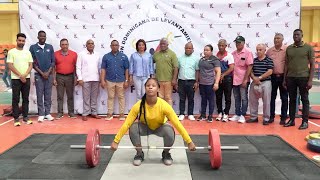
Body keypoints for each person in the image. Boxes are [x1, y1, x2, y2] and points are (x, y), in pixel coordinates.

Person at [110, 78, 196, 166]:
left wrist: (189, 141)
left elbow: (177, 124)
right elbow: (127, 123)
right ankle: (139, 154)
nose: (150, 87)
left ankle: (166, 153)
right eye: (148, 86)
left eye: (153, 86)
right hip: (144, 127)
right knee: (133, 128)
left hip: (160, 127)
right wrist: (116, 141)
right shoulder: (138, 105)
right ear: (145, 88)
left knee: (169, 131)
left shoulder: (164, 105)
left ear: (158, 89)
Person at [283, 29, 315, 130]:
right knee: (291, 100)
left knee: (304, 100)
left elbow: (313, 64)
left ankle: (305, 122)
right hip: (291, 77)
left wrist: (310, 80)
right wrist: (284, 79)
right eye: (294, 35)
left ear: (302, 35)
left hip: (303, 77)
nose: (295, 36)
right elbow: (286, 64)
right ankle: (292, 120)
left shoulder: (308, 48)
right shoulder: (289, 48)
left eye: (297, 34)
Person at [7, 33, 33, 126]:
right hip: (16, 79)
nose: (21, 42)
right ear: (16, 40)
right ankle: (16, 118)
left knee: (26, 99)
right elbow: (10, 65)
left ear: (25, 42)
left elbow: (31, 65)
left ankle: (25, 117)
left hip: (26, 79)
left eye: (23, 41)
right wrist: (20, 75)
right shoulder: (11, 52)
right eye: (20, 40)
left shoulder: (28, 52)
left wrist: (25, 75)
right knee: (16, 99)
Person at [29, 30, 55, 122]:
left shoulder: (50, 47)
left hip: (49, 75)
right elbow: (32, 63)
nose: (42, 38)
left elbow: (53, 62)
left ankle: (47, 113)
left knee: (48, 95)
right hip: (38, 75)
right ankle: (41, 114)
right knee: (39, 94)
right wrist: (41, 73)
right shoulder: (33, 48)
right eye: (41, 36)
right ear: (38, 37)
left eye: (44, 36)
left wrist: (48, 73)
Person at [100, 40, 129, 121]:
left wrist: (126, 80)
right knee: (110, 97)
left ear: (118, 46)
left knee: (121, 97)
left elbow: (127, 69)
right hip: (110, 80)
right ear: (110, 46)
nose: (115, 46)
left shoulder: (124, 56)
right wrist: (102, 80)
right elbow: (103, 69)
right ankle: (109, 114)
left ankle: (122, 114)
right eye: (113, 45)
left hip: (121, 80)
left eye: (116, 45)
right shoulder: (106, 57)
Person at [247, 44, 273, 125]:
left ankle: (266, 119)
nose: (258, 51)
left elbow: (270, 71)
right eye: (257, 49)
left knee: (266, 101)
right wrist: (254, 78)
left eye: (260, 50)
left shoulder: (269, 60)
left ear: (265, 50)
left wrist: (260, 78)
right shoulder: (254, 60)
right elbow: (250, 70)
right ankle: (253, 117)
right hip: (254, 81)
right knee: (252, 101)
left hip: (266, 82)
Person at [229, 36, 253, 123]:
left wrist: (245, 80)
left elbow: (250, 66)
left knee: (244, 98)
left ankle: (243, 115)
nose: (237, 44)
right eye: (236, 42)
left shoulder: (248, 52)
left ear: (243, 43)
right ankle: (237, 114)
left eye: (239, 42)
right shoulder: (233, 53)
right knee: (236, 98)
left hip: (243, 79)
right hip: (235, 79)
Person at [76, 39, 102, 121]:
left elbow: (100, 67)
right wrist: (80, 78)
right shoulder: (81, 54)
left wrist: (101, 78)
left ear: (94, 45)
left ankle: (94, 112)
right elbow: (78, 67)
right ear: (86, 45)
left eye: (92, 44)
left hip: (96, 79)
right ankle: (85, 113)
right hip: (85, 79)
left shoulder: (97, 55)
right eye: (89, 44)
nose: (91, 45)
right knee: (86, 97)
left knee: (94, 97)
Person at [266, 33, 288, 125]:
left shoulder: (287, 50)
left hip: (284, 77)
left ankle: (283, 118)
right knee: (272, 98)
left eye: (278, 38)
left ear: (282, 40)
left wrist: (286, 78)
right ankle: (271, 117)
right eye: (275, 38)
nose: (276, 40)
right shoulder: (269, 51)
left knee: (284, 98)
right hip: (273, 77)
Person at [53, 38, 77, 119]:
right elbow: (53, 67)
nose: (64, 46)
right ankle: (60, 113)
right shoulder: (55, 54)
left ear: (68, 45)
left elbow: (76, 67)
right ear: (60, 45)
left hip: (70, 76)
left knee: (70, 96)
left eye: (66, 44)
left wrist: (76, 78)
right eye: (63, 44)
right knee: (60, 96)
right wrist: (54, 78)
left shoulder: (74, 54)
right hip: (59, 76)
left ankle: (71, 112)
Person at [197, 45, 221, 122]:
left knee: (211, 100)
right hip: (202, 83)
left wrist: (216, 83)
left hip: (210, 83)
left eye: (207, 50)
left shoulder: (215, 60)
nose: (205, 51)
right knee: (203, 99)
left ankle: (210, 116)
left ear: (211, 51)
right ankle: (203, 115)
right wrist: (197, 81)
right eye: (204, 50)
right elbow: (199, 71)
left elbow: (218, 72)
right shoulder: (201, 60)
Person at [153, 38, 178, 106]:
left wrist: (174, 79)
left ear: (167, 44)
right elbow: (149, 63)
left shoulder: (172, 54)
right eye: (161, 44)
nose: (162, 45)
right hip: (158, 81)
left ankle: (168, 115)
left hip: (169, 80)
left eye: (164, 44)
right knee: (160, 98)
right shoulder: (156, 54)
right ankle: (161, 115)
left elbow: (176, 67)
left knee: (168, 98)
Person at [177, 42, 199, 121]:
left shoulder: (196, 59)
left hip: (191, 81)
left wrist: (196, 82)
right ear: (184, 48)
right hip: (181, 81)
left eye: (190, 48)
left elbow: (197, 71)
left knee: (191, 98)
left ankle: (190, 114)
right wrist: (176, 81)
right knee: (182, 99)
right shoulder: (180, 58)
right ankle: (182, 113)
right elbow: (177, 69)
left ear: (192, 49)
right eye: (187, 48)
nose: (188, 49)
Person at [215, 39, 234, 122]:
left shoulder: (229, 55)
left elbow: (231, 68)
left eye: (223, 45)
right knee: (218, 97)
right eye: (219, 45)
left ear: (226, 46)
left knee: (227, 97)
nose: (221, 47)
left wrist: (223, 74)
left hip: (227, 79)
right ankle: (219, 112)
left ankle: (226, 113)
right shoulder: (216, 56)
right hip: (218, 79)